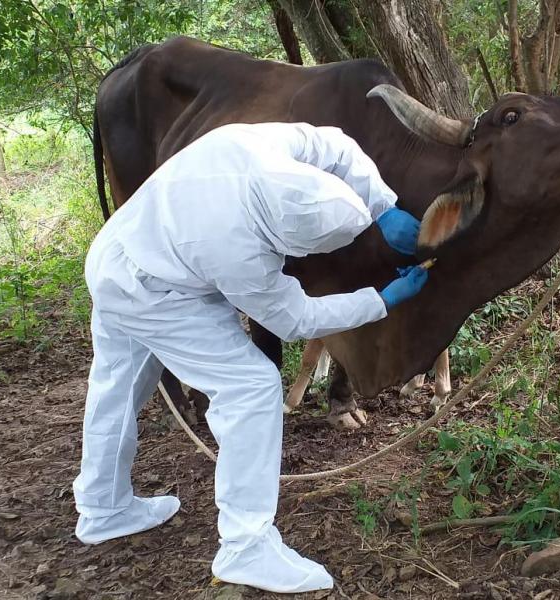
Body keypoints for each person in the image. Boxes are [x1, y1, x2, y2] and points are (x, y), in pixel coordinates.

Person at [72, 122, 429, 593]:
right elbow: (296, 318)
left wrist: (381, 206)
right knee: (251, 386)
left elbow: (340, 145)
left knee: (117, 384)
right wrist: (381, 300)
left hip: (115, 253)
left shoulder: (260, 146)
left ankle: (103, 507)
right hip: (153, 290)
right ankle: (246, 546)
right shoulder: (238, 250)